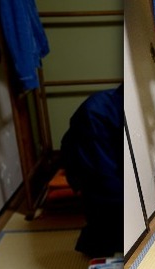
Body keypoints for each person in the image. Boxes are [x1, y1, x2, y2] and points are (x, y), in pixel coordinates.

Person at [60, 84, 124, 258]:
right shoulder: (96, 112)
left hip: (109, 161)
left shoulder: (123, 106)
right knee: (106, 223)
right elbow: (101, 168)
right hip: (88, 167)